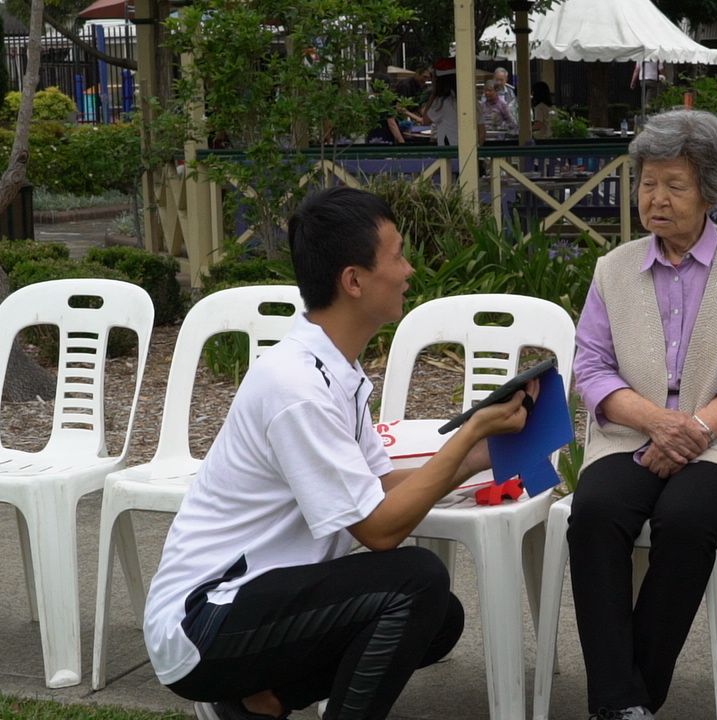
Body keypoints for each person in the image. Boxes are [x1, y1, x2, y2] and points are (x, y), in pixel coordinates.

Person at [141, 187, 536, 720]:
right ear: (353, 280)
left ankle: (258, 702)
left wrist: (475, 455)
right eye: (397, 256)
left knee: (439, 617)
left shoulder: (337, 372)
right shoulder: (296, 385)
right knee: (415, 581)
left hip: (254, 602)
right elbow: (378, 530)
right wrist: (463, 437)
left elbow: (378, 491)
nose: (409, 270)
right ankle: (238, 689)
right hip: (205, 619)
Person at [569, 109, 717, 720]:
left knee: (687, 517)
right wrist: (656, 423)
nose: (656, 198)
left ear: (712, 191)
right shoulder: (612, 270)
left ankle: (631, 696)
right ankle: (622, 704)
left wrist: (694, 429)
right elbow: (590, 367)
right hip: (633, 435)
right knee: (594, 511)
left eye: (675, 184)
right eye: (647, 182)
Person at [424, 58, 459, 146]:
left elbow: (425, 120)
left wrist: (433, 93)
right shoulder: (469, 101)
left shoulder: (441, 103)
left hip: (449, 150)